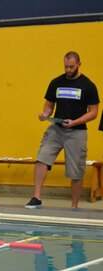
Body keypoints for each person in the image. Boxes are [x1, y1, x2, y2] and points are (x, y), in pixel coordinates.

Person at [25, 51, 99, 209]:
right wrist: (45, 114)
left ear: (79, 64)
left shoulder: (88, 86)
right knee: (42, 158)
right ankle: (36, 197)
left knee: (76, 170)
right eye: (66, 66)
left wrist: (75, 122)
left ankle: (74, 206)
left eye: (71, 67)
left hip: (77, 132)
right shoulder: (56, 82)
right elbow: (49, 104)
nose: (68, 70)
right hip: (56, 129)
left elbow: (93, 112)